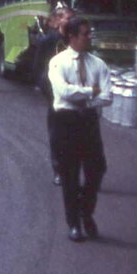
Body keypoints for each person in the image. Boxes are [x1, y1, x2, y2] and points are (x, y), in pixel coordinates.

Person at [48, 16, 111, 243]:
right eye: (85, 33)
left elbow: (108, 96)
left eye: (89, 33)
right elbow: (63, 92)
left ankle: (86, 210)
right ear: (72, 37)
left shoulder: (98, 64)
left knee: (96, 170)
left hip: (88, 122)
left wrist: (85, 99)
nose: (89, 37)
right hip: (65, 122)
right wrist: (90, 91)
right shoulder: (57, 62)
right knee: (70, 175)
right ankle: (74, 223)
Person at [33, 5, 74, 186]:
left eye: (73, 18)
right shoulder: (48, 42)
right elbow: (38, 68)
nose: (71, 22)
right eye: (67, 18)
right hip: (55, 94)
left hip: (76, 93)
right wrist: (46, 88)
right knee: (57, 133)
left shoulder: (77, 40)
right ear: (58, 21)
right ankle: (58, 169)